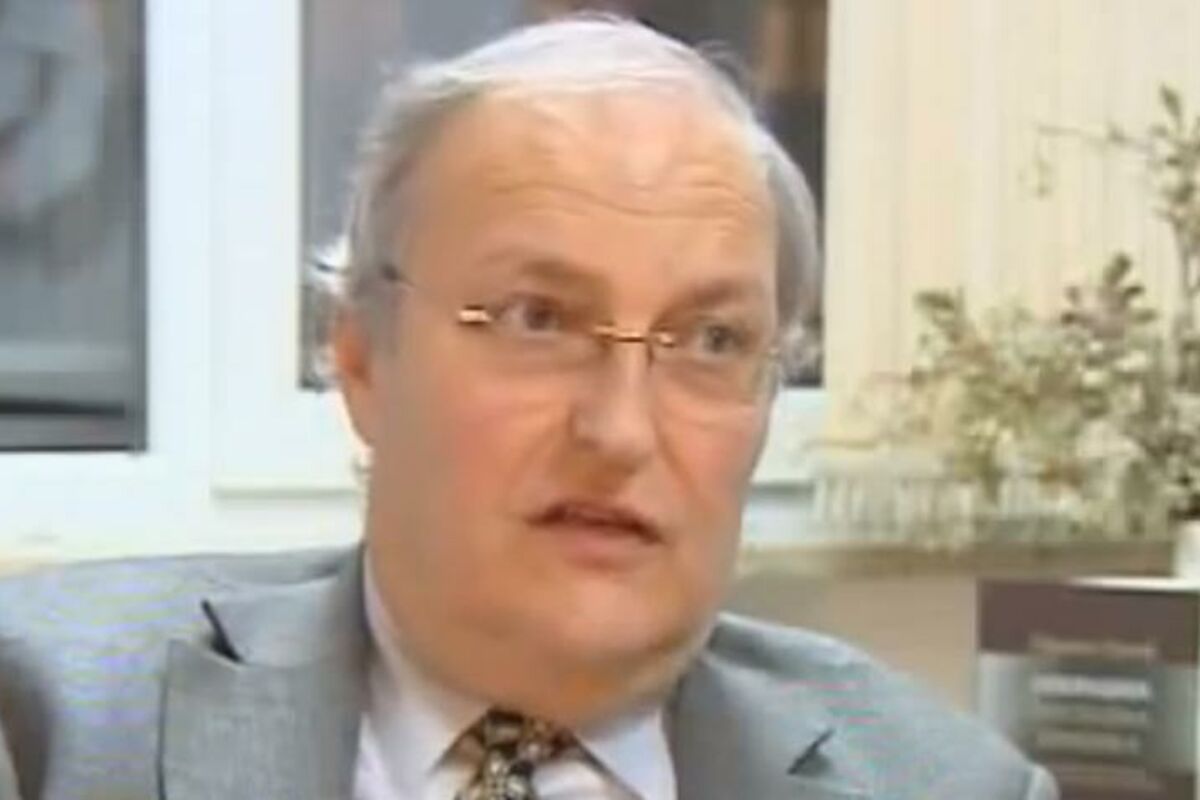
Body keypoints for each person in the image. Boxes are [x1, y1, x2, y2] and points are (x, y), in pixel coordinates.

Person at [0, 15, 1058, 800]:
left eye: (711, 341)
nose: (621, 430)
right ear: (361, 360)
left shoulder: (949, 785)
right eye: (537, 319)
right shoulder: (45, 715)